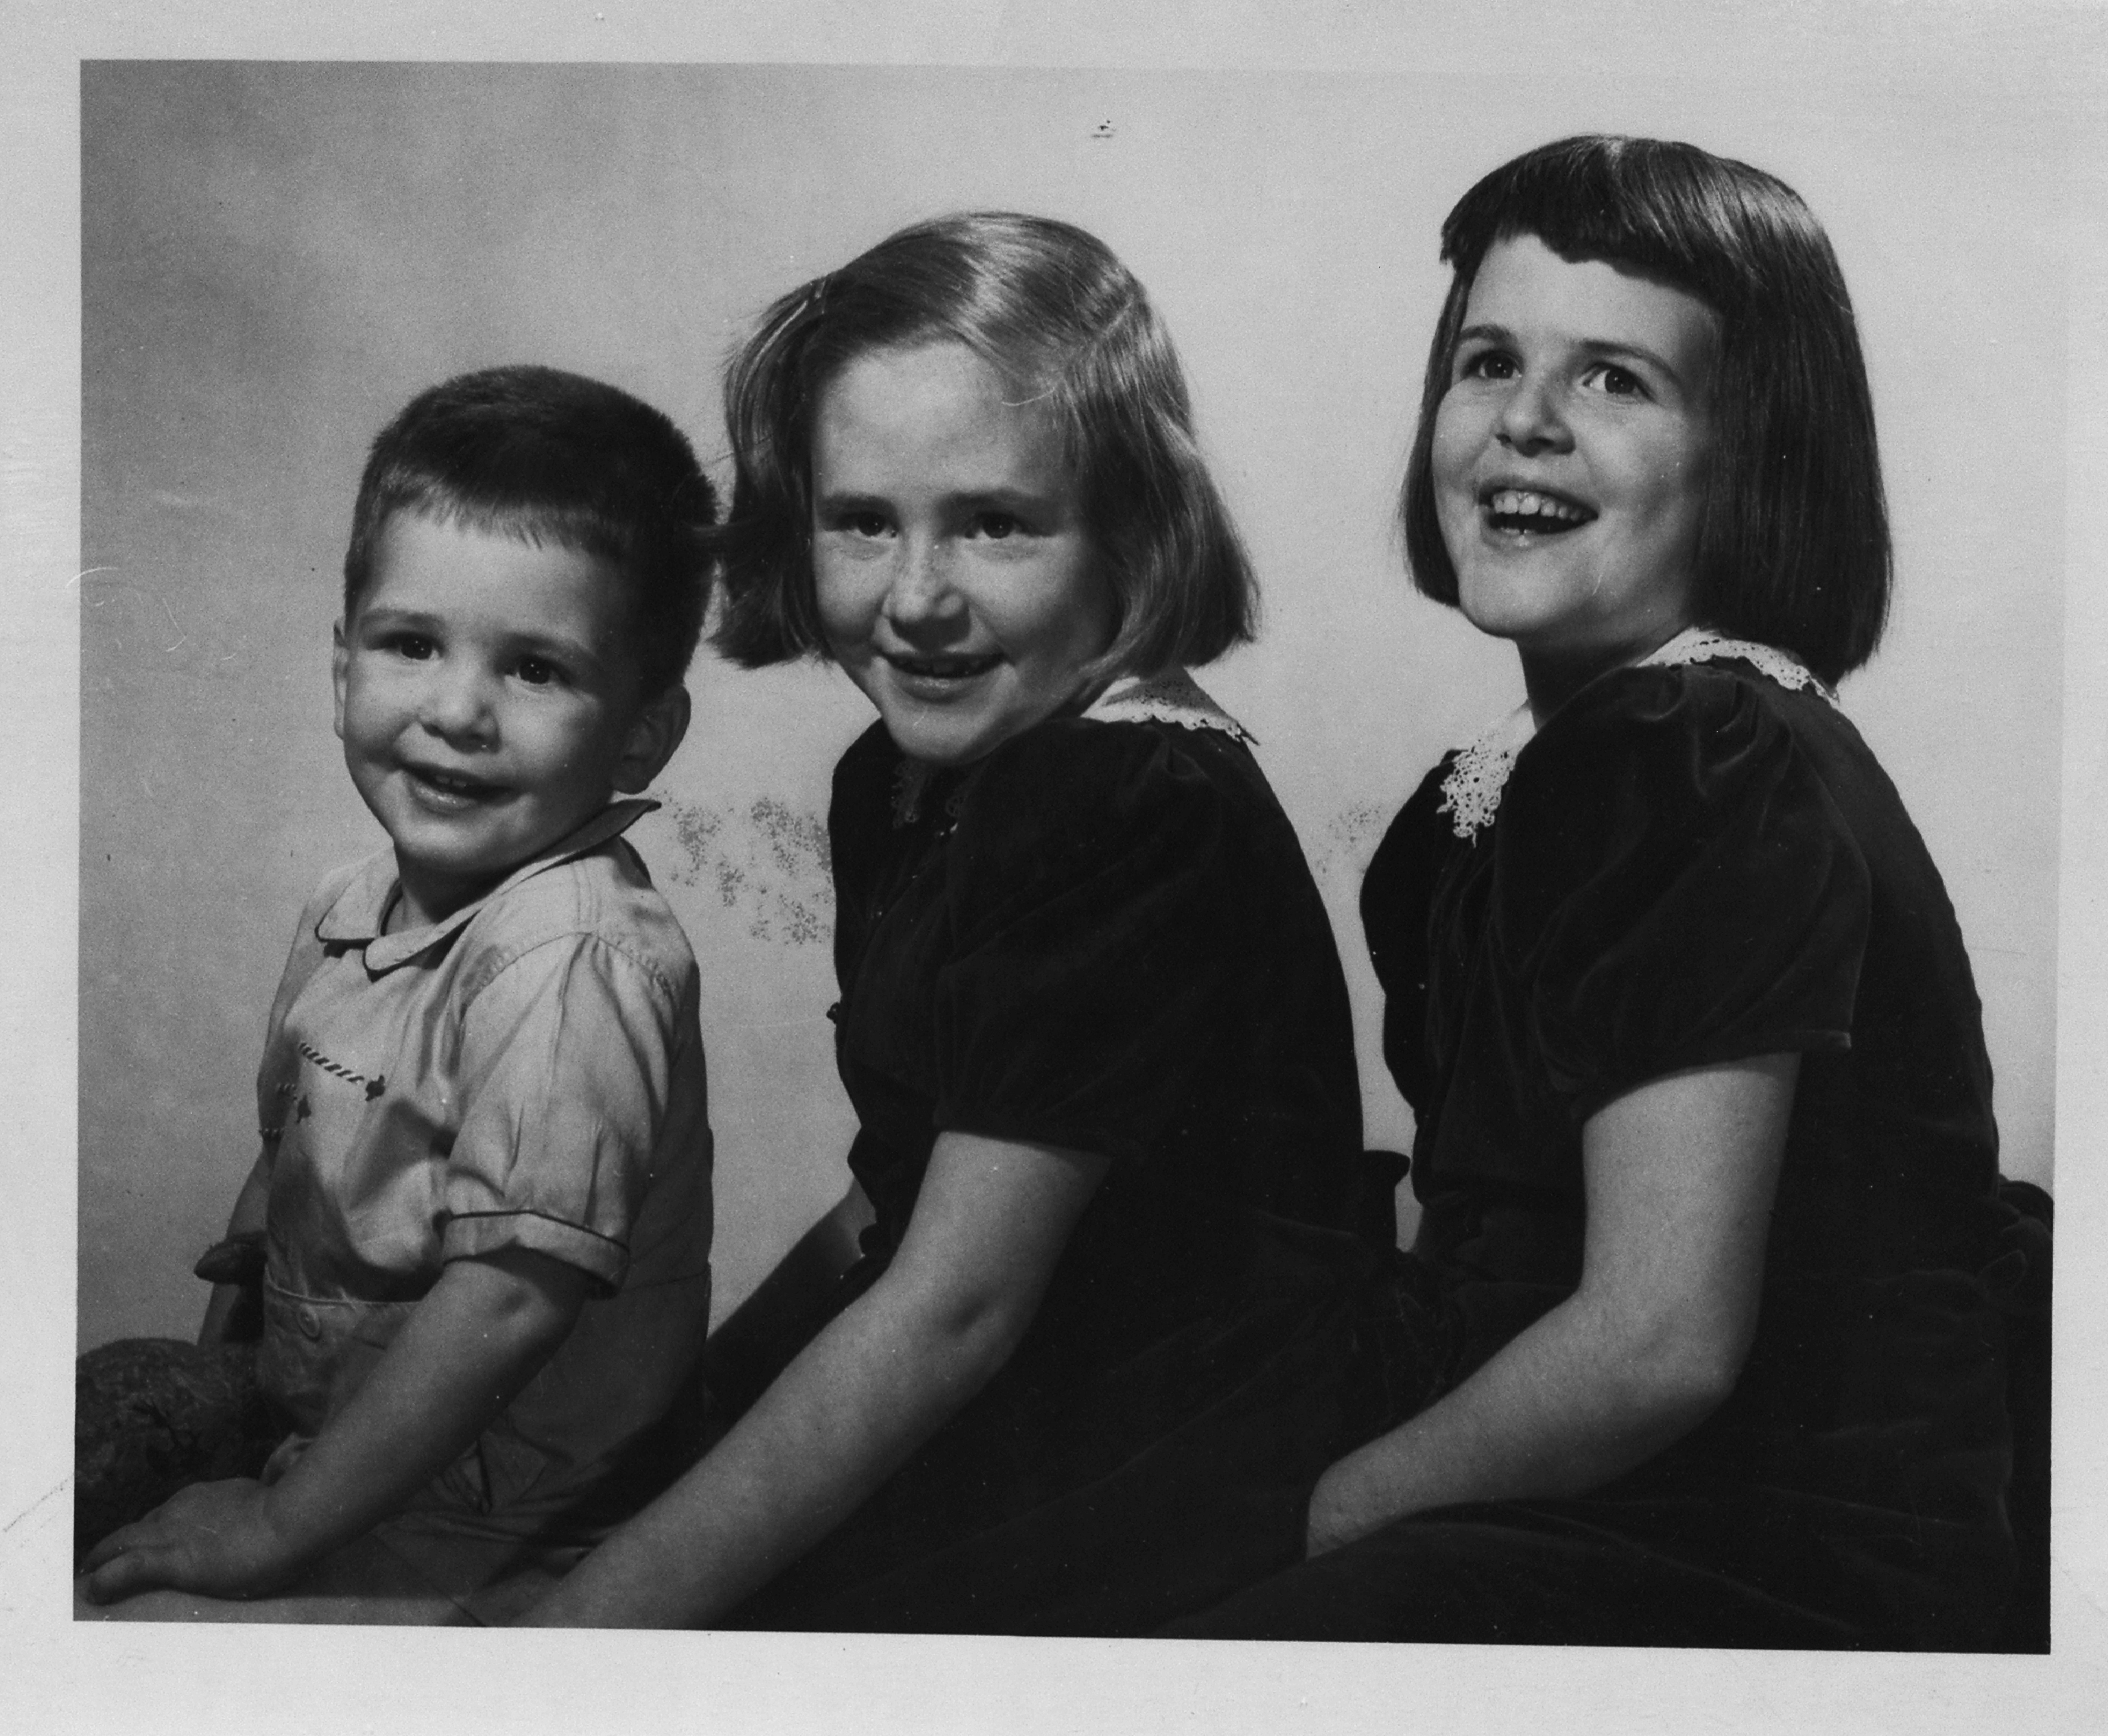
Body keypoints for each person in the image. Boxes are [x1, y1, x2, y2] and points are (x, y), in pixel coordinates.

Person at [1167, 136, 2048, 1650]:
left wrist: (1340, 1507)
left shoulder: (1693, 751)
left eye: (1614, 380)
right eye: (1488, 361)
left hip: (1758, 1552)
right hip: (1583, 1480)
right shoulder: (1517, 784)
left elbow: (1656, 1344)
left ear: (1754, 454)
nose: (1524, 420)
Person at [520, 211, 1388, 1633]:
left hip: (1156, 1465)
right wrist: (674, 1442)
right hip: (999, 1395)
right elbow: (891, 1205)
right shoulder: (904, 779)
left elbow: (954, 1312)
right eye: (863, 521)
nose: (917, 601)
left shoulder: (1126, 802)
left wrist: (585, 1631)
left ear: (1132, 534)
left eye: (995, 524)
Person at [76, 366, 719, 1623]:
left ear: (643, 732)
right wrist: (227, 1398)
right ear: (342, 670)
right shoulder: (350, 902)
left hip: (506, 1522)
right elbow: (290, 1168)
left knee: (134, 1636)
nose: (457, 711)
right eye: (412, 645)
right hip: (339, 1456)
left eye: (535, 669)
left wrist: (272, 1529)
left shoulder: (571, 956)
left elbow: (509, 1301)